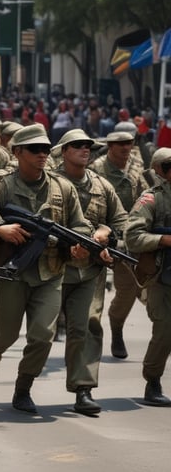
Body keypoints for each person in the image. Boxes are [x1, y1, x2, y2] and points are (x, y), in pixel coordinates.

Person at [0, 124, 92, 413]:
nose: (42, 154)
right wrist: (0, 228)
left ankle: (23, 386)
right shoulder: (2, 184)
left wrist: (80, 244)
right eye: (34, 149)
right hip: (13, 272)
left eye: (45, 149)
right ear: (17, 152)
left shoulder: (62, 187)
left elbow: (79, 225)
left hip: (50, 272)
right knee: (6, 334)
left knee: (43, 335)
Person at [54, 129, 127, 415]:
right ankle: (22, 384)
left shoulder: (101, 185)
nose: (85, 149)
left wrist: (107, 233)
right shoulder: (51, 183)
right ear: (64, 151)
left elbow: (122, 220)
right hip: (52, 268)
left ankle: (83, 388)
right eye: (78, 146)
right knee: (40, 332)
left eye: (88, 146)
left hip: (89, 271)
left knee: (87, 326)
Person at [89, 130, 149, 359]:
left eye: (129, 143)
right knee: (91, 297)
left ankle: (116, 329)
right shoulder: (97, 169)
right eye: (120, 144)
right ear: (110, 146)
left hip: (129, 237)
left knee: (128, 289)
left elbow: (146, 196)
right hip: (101, 236)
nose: (126, 148)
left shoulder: (136, 166)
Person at [124, 149, 171, 406]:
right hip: (161, 276)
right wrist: (163, 240)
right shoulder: (151, 200)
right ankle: (152, 380)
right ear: (159, 170)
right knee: (165, 331)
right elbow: (132, 236)